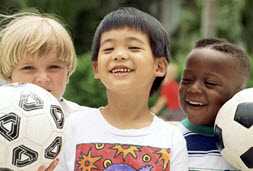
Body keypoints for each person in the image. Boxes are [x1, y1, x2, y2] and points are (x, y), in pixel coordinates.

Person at [39, 7, 188, 171]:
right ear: (96, 68)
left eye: (133, 47)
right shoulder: (71, 126)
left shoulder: (171, 138)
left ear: (159, 66)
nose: (119, 55)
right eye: (109, 49)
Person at [178, 38, 250, 171]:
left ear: (238, 95)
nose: (193, 89)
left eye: (210, 83)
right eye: (187, 80)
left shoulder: (247, 142)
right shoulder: (169, 138)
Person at [0, 12, 90, 118]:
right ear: (9, 76)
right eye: (28, 68)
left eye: (54, 67)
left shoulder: (85, 121)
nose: (43, 78)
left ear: (67, 72)